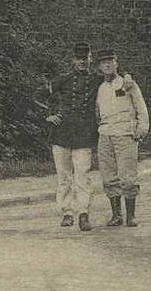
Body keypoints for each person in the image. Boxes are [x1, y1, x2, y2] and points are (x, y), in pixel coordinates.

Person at [34, 41, 103, 232]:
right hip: (61, 133)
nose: (82, 62)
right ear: (73, 60)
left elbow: (117, 79)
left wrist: (128, 77)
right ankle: (66, 212)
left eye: (86, 58)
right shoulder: (63, 80)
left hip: (84, 134)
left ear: (90, 58)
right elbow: (38, 95)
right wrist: (47, 115)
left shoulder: (97, 80)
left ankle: (83, 213)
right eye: (79, 58)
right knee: (64, 176)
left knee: (82, 175)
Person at [95, 48, 149, 228]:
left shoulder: (128, 83)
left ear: (117, 63)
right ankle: (116, 215)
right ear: (99, 67)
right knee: (109, 177)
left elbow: (140, 106)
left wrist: (142, 128)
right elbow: (97, 113)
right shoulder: (100, 88)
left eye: (111, 61)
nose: (108, 65)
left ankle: (131, 216)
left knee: (128, 177)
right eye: (104, 62)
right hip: (105, 135)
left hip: (125, 134)